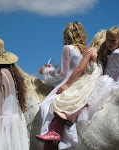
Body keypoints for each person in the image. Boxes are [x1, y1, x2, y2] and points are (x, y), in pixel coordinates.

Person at [46, 26, 119, 149]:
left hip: (105, 81)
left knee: (81, 98)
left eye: (112, 41)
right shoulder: (107, 55)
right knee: (87, 98)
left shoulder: (115, 53)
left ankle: (60, 125)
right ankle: (67, 120)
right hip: (106, 79)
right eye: (108, 40)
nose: (109, 43)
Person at [35, 21, 87, 149]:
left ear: (66, 34)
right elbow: (70, 68)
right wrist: (53, 67)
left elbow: (62, 74)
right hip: (77, 82)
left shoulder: (67, 48)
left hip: (67, 82)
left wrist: (45, 72)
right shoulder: (81, 51)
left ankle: (50, 140)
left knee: (45, 107)